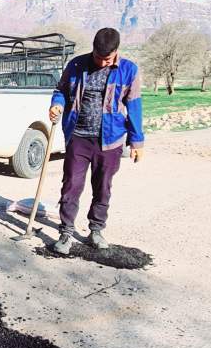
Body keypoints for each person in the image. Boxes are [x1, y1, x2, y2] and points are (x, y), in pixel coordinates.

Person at [48, 28, 144, 254]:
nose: (102, 62)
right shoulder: (76, 65)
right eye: (98, 57)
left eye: (107, 59)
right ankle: (66, 231)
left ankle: (96, 230)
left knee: (103, 187)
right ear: (92, 48)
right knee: (71, 185)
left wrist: (137, 142)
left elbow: (135, 107)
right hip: (78, 137)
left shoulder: (129, 70)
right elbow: (60, 90)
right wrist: (57, 104)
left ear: (116, 52)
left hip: (110, 141)